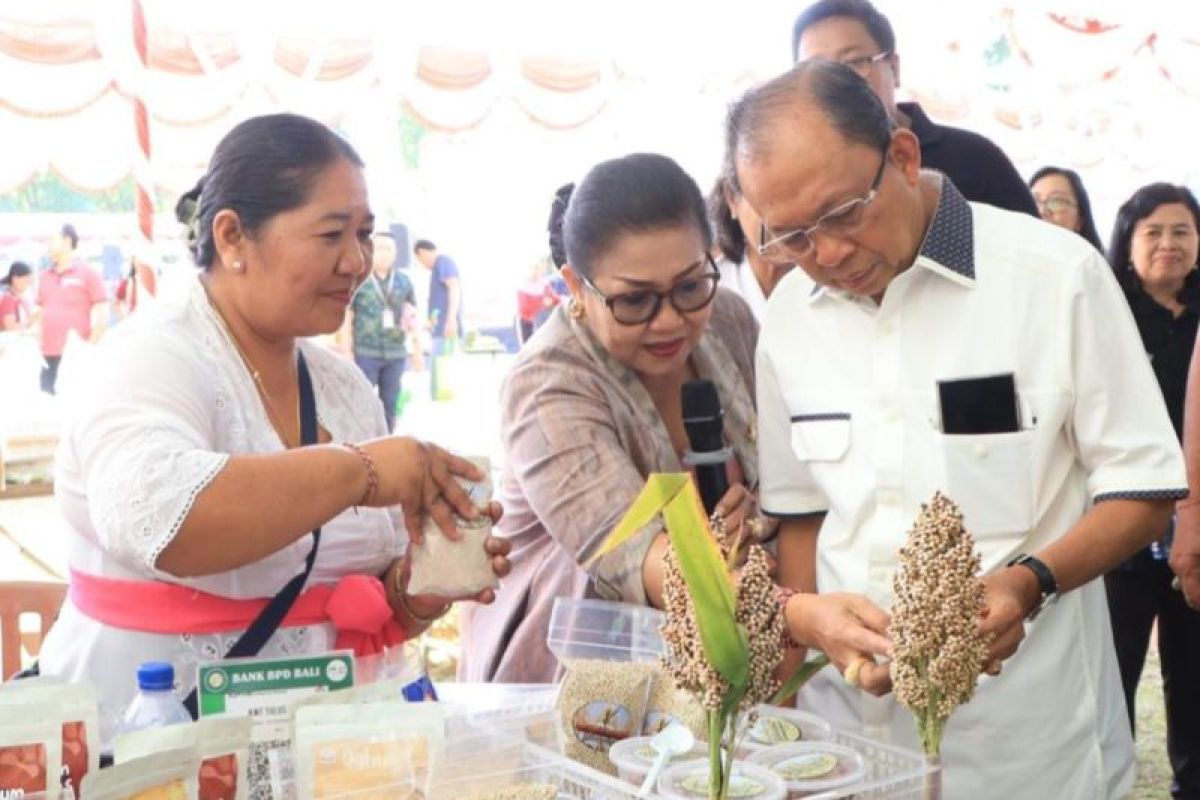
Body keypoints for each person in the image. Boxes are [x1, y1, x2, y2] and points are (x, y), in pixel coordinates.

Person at [730, 61, 1185, 798]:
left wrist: (1029, 583)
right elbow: (802, 511)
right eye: (791, 238)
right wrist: (812, 633)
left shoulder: (1054, 277)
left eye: (844, 214)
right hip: (853, 738)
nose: (829, 254)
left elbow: (1144, 492)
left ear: (903, 157)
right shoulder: (788, 317)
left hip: (1027, 741)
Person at [36, 113, 511, 743]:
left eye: (365, 234)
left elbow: (355, 598)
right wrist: (361, 471)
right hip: (157, 744)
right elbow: (155, 520)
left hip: (324, 748)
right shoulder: (150, 357)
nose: (357, 261)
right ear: (232, 236)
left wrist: (420, 586)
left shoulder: (340, 386)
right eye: (332, 234)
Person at [460, 154, 764, 683]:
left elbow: (790, 483)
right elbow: (638, 555)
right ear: (575, 287)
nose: (669, 320)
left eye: (691, 286)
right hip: (584, 690)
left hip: (735, 660)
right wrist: (793, 613)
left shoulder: (730, 321)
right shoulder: (546, 383)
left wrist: (758, 518)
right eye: (635, 301)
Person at [1104, 182, 1200, 800]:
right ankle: (1105, 780)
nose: (1168, 244)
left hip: (1195, 520)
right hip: (1123, 521)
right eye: (1153, 232)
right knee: (1114, 666)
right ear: (1129, 242)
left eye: (1182, 232)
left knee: (1192, 674)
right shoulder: (1107, 312)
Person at [792, 0, 1038, 217]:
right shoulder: (801, 179)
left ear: (894, 69)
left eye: (855, 61)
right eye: (819, 71)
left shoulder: (975, 158)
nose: (839, 81)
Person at [345, 231, 417, 431]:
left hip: (395, 352)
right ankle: (363, 446)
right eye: (380, 248)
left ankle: (388, 444)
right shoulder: (359, 280)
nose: (385, 253)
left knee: (391, 402)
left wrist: (417, 349)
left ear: (396, 253)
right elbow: (348, 314)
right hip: (365, 351)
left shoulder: (404, 282)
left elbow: (411, 315)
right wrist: (347, 349)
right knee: (362, 402)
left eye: (390, 249)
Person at [706, 174, 796, 322]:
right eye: (765, 198)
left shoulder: (833, 280)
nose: (782, 217)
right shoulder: (710, 291)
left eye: (793, 196)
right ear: (732, 200)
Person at [36, 223, 108, 393]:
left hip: (75, 355)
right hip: (46, 356)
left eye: (51, 239)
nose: (47, 243)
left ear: (67, 241)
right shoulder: (44, 277)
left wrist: (88, 349)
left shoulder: (88, 273)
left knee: (73, 406)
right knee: (46, 405)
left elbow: (102, 318)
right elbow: (41, 314)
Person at [412, 239, 462, 400]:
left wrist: (451, 319)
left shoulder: (443, 262)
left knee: (442, 365)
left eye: (419, 260)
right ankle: (438, 395)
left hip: (446, 327)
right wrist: (429, 322)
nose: (421, 264)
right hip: (438, 326)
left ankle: (442, 395)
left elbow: (454, 287)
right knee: (437, 364)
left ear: (421, 252)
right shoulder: (436, 269)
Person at [1029, 165, 1104, 252]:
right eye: (1035, 201)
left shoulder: (1091, 263)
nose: (1041, 211)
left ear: (1080, 220)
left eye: (1056, 201)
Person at [0, 261, 35, 331]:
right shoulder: (8, 298)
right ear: (15, 279)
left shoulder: (21, 298)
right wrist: (31, 319)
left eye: (31, 281)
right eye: (27, 281)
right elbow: (10, 328)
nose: (29, 285)